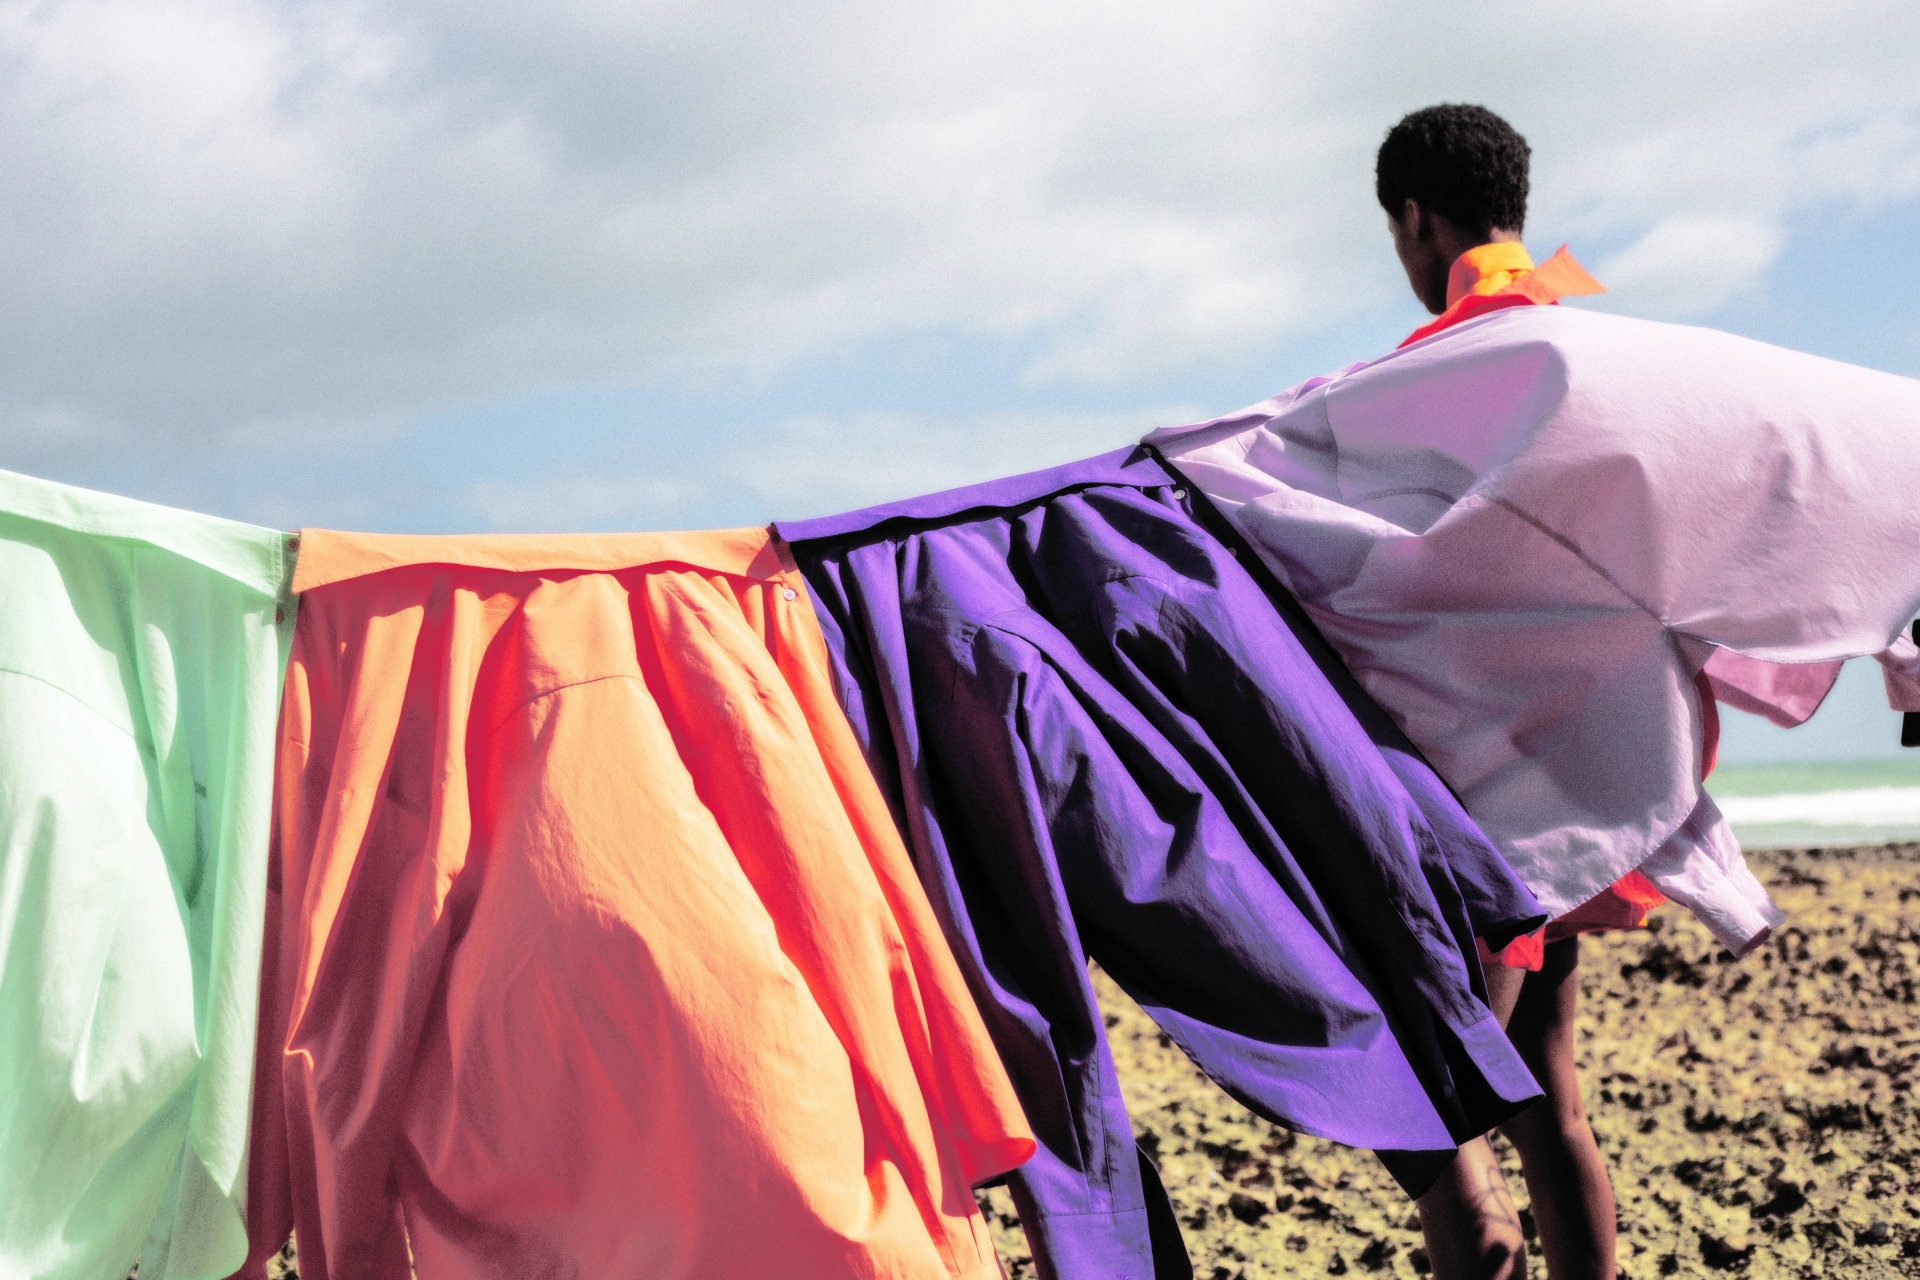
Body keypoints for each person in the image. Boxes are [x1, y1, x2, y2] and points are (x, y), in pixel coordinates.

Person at [1377, 103, 1644, 1280]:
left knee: (1430, 1071)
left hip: (1482, 790)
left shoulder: (1436, 369)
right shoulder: (1604, 351)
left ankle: (1473, 1241)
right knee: (1551, 1091)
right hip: (1595, 774)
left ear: (1418, 221)